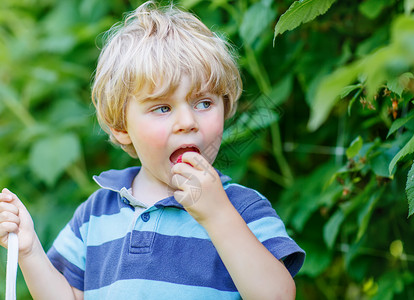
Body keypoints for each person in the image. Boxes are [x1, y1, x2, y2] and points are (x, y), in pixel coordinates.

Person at [0, 1, 305, 299]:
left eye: (204, 103)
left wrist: (218, 216)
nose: (187, 122)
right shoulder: (96, 214)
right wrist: (28, 251)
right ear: (121, 127)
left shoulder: (243, 209)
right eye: (162, 108)